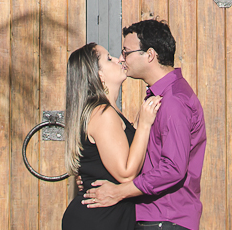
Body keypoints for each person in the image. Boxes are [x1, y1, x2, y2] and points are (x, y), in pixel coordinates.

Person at [81, 19, 207, 230]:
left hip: (166, 218)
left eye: (126, 52)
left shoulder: (174, 100)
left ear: (149, 55)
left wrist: (118, 192)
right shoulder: (162, 96)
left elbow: (173, 168)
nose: (122, 58)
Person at [61, 42, 163, 230]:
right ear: (99, 75)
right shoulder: (102, 113)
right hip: (100, 219)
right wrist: (144, 126)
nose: (119, 60)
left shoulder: (109, 112)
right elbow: (125, 173)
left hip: (110, 216)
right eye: (109, 59)